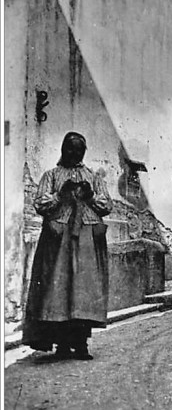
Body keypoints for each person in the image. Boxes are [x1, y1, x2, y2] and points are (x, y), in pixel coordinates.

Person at [23, 132, 112, 360]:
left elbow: (106, 205)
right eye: (71, 149)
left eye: (79, 150)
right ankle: (62, 343)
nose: (75, 154)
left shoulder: (92, 176)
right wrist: (60, 196)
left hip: (86, 240)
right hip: (58, 240)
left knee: (83, 292)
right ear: (64, 149)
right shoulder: (51, 175)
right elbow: (40, 204)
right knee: (59, 291)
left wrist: (90, 196)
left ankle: (81, 343)